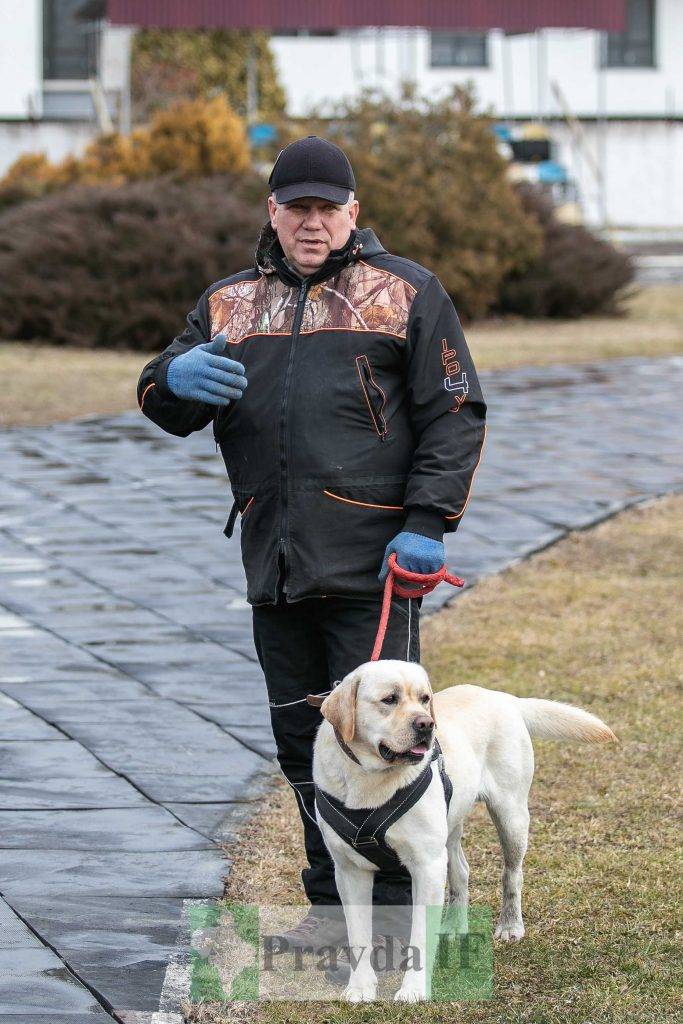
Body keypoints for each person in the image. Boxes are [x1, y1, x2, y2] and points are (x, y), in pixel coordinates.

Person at [137, 135, 487, 955]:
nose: (311, 222)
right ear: (272, 212)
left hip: (379, 564)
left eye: (327, 209)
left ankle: (404, 929)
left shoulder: (405, 292)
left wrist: (427, 520)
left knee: (394, 743)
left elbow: (456, 411)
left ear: (352, 214)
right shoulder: (229, 304)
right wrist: (166, 380)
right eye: (296, 208)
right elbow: (166, 394)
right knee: (305, 746)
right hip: (276, 561)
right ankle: (332, 919)